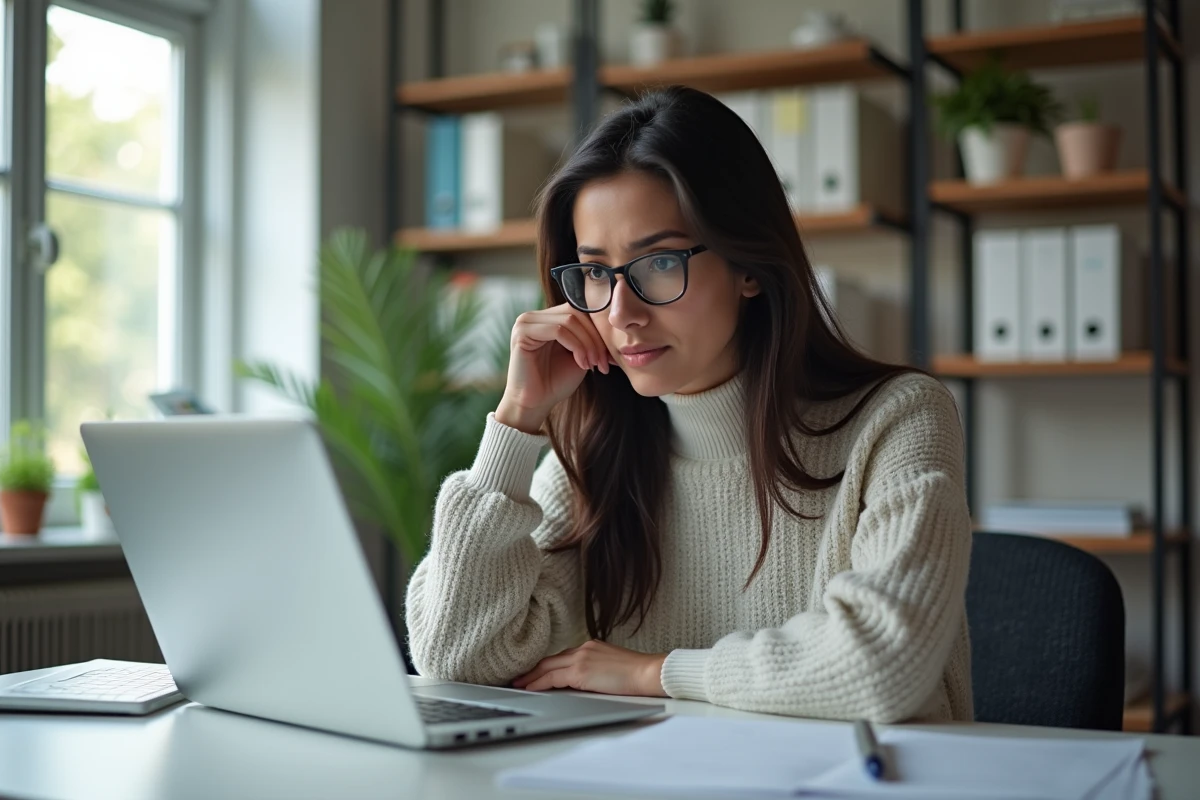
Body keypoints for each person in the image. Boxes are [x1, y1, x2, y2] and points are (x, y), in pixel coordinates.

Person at [405, 85, 972, 723]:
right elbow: (454, 654)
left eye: (659, 263)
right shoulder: (596, 452)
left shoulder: (899, 420)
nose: (622, 313)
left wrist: (656, 673)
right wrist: (515, 419)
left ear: (749, 266)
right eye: (595, 271)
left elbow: (881, 665)